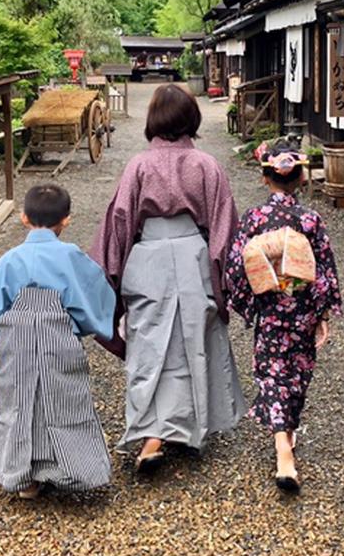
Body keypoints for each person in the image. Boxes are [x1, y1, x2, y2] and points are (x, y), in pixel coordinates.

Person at [91, 83, 244, 473]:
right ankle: (184, 429)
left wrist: (109, 279)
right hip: (194, 256)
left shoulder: (139, 166)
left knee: (149, 345)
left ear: (153, 119)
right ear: (191, 118)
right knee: (194, 341)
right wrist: (227, 281)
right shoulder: (206, 165)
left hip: (148, 260)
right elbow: (224, 228)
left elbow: (120, 223)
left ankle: (152, 435)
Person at [0, 183, 116, 499]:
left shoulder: (11, 260)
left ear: (23, 218)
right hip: (59, 338)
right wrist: (85, 324)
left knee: (19, 404)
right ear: (66, 220)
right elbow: (94, 296)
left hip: (16, 341)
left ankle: (23, 479)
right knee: (65, 402)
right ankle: (72, 471)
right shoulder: (72, 256)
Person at [224, 140, 342, 494]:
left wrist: (250, 301)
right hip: (302, 310)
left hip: (271, 309)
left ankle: (283, 443)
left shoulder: (254, 219)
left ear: (265, 178)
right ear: (301, 178)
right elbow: (323, 271)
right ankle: (285, 446)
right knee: (298, 371)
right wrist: (322, 313)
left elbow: (236, 267)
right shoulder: (310, 220)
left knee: (273, 371)